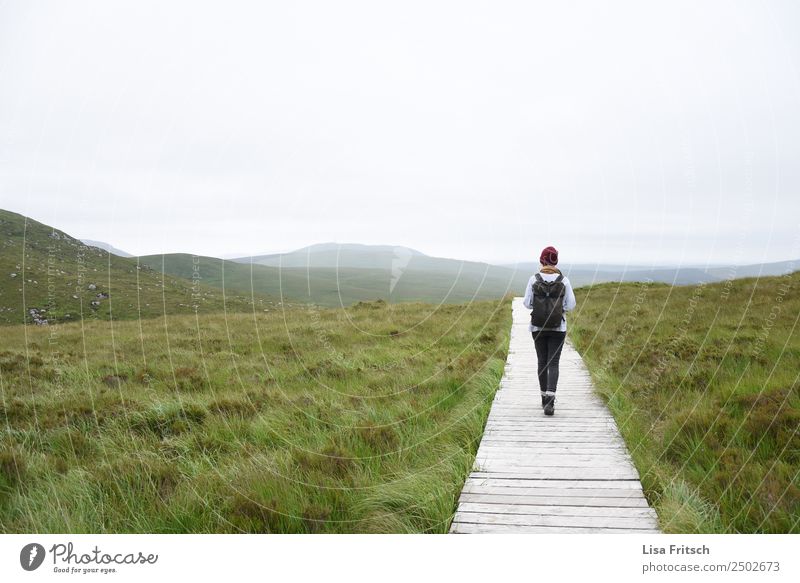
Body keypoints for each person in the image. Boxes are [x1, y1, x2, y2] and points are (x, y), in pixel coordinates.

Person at [522, 245, 576, 416]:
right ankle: (551, 402)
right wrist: (559, 309)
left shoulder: (533, 279)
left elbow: (527, 303)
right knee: (553, 363)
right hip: (558, 327)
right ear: (556, 261)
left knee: (541, 361)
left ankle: (544, 398)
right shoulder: (564, 280)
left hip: (537, 327)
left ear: (541, 260)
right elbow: (571, 305)